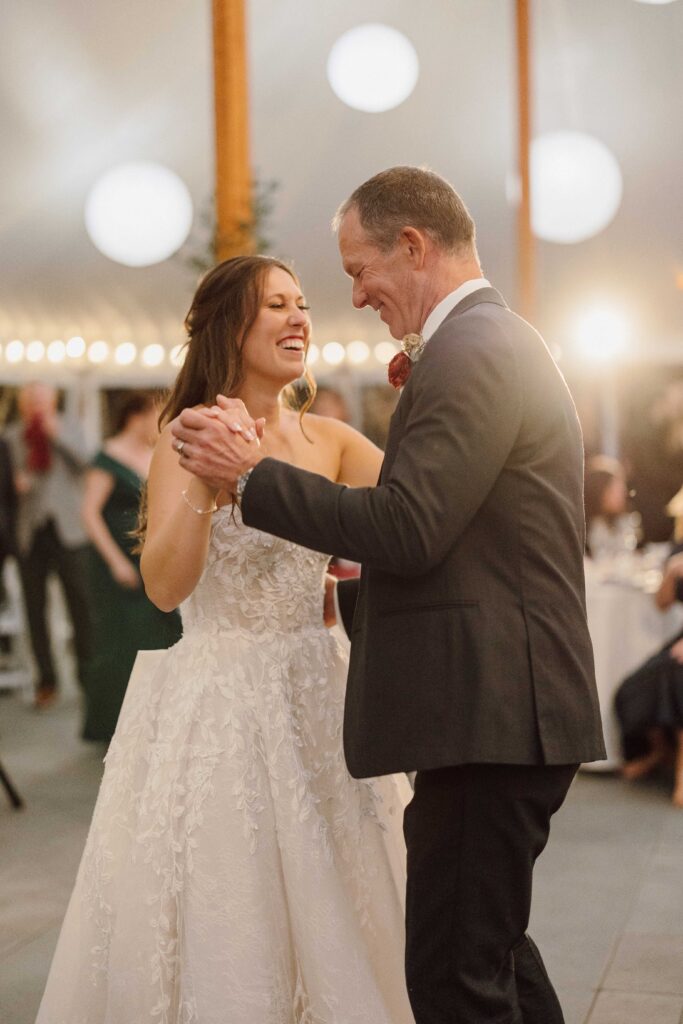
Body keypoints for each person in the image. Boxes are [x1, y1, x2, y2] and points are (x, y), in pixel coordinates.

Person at [173, 166, 606, 1024]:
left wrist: (251, 477)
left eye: (358, 268)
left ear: (412, 245)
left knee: (455, 979)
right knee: (494, 957)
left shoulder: (477, 348)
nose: (357, 293)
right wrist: (342, 608)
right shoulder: (486, 344)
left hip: (491, 714)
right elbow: (472, 549)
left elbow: (409, 527)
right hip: (492, 708)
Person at [36, 256, 414, 1024]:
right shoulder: (191, 433)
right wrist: (211, 484)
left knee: (343, 880)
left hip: (320, 685)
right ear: (229, 326)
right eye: (276, 304)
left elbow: (415, 513)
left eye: (302, 302)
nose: (299, 317)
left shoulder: (331, 439)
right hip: (225, 697)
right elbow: (166, 588)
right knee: (233, 891)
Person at [80, 391, 182, 743]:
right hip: (117, 561)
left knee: (159, 636)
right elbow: (90, 514)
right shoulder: (107, 457)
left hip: (150, 556)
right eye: (156, 416)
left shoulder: (156, 455)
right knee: (121, 641)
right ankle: (113, 723)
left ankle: (156, 717)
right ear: (136, 416)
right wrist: (116, 562)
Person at [4, 383, 92, 707]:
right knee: (35, 609)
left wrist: (56, 435)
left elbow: (87, 464)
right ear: (23, 405)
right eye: (30, 401)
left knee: (80, 606)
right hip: (31, 533)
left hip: (69, 530)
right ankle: (47, 681)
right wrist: (14, 484)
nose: (36, 406)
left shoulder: (71, 427)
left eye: (41, 400)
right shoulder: (13, 437)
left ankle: (88, 677)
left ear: (53, 402)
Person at [584, 454, 639, 559]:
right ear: (601, 492)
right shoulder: (585, 533)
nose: (624, 493)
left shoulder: (623, 522)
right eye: (617, 489)